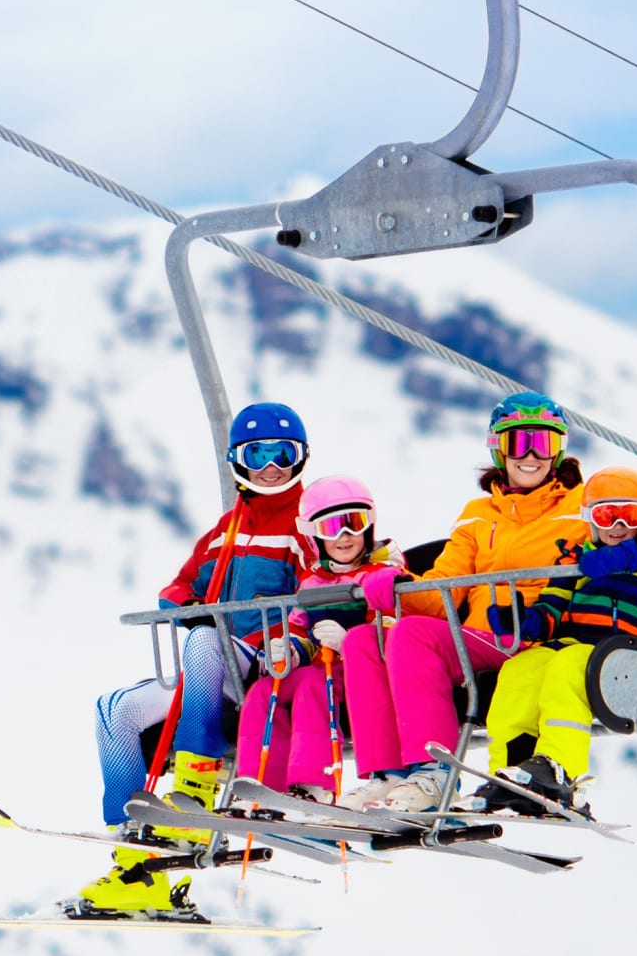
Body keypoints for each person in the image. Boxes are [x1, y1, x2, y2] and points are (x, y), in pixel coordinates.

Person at [71, 402, 314, 919]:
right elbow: (180, 586)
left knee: (204, 643)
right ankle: (133, 849)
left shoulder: (304, 525)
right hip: (211, 668)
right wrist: (183, 605)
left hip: (262, 667)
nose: (270, 465)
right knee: (115, 709)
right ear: (238, 462)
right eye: (257, 453)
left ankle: (194, 792)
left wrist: (288, 638)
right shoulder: (228, 528)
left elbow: (319, 593)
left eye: (282, 453)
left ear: (301, 459)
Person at [339, 391, 590, 812]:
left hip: (532, 636)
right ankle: (390, 775)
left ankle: (436, 773)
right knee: (367, 640)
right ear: (497, 447)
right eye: (517, 442)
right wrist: (399, 586)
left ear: (559, 450)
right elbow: (444, 590)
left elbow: (623, 523)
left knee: (413, 634)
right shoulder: (478, 513)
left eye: (542, 443)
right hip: (480, 638)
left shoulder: (579, 506)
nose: (531, 455)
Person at [469, 466, 637, 817]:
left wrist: (630, 557)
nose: (618, 527)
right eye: (606, 516)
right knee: (519, 671)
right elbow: (551, 611)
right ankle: (512, 771)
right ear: (590, 520)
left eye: (629, 515)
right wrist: (522, 625)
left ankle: (559, 768)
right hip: (574, 644)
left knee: (568, 667)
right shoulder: (575, 561)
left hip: (627, 653)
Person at [235, 475, 405, 795]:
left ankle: (313, 782)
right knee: (264, 690)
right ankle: (260, 783)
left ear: (369, 526)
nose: (344, 535)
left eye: (354, 523)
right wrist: (292, 649)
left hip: (363, 672)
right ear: (314, 537)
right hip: (321, 665)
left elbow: (393, 625)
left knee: (314, 685)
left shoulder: (382, 575)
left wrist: (351, 640)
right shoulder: (312, 583)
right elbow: (301, 628)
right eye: (331, 527)